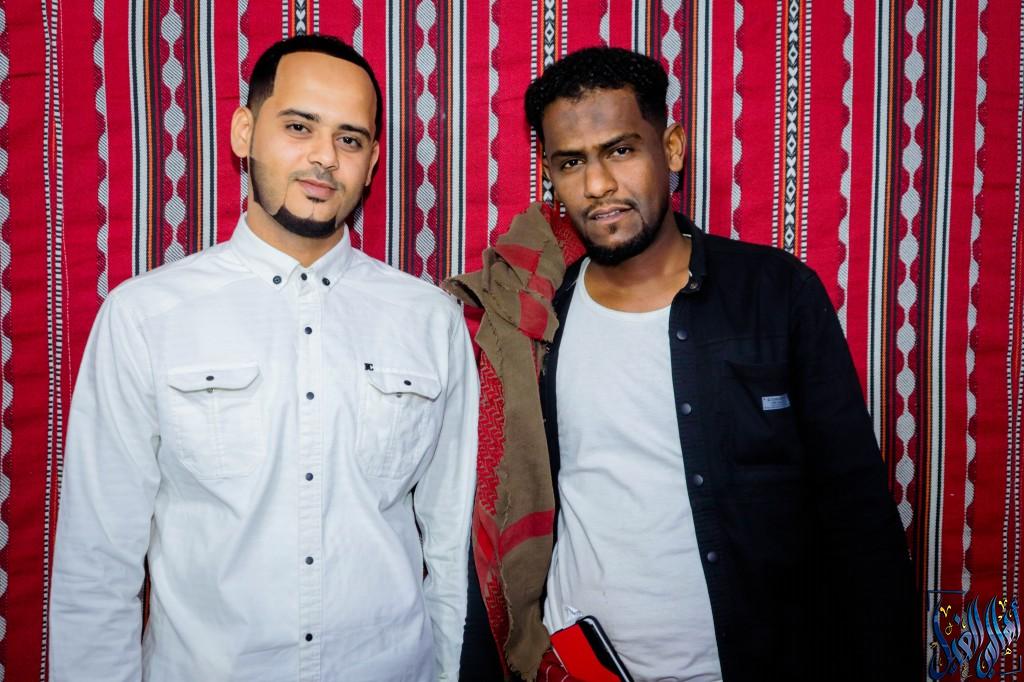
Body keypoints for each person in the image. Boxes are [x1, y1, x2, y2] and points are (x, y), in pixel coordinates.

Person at [449, 46, 919, 681]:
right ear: (549, 174)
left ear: (671, 148)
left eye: (620, 150)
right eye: (571, 162)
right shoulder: (536, 319)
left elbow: (856, 510)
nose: (597, 185)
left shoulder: (775, 295)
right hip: (580, 668)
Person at [50, 34, 477, 681]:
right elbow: (97, 561)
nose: (324, 157)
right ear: (244, 132)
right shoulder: (145, 318)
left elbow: (452, 547)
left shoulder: (431, 321)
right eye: (299, 127)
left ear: (371, 162)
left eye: (350, 139)